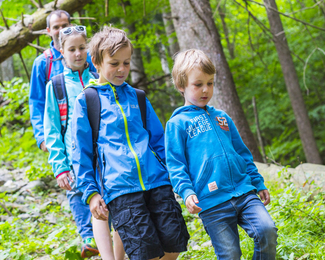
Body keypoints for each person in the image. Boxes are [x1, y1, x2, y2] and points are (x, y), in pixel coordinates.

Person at [71, 26, 189, 260]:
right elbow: (81, 154)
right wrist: (92, 193)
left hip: (158, 183)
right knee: (145, 253)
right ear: (96, 62)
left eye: (126, 63)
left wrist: (175, 175)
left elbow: (158, 141)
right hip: (121, 190)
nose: (122, 69)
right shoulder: (87, 100)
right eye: (114, 63)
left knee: (174, 246)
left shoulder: (139, 97)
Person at [165, 49, 278, 260]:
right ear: (181, 86)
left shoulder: (222, 118)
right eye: (198, 84)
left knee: (267, 230)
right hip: (211, 202)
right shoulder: (177, 124)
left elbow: (243, 153)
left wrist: (258, 182)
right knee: (230, 255)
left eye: (210, 83)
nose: (206, 89)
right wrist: (187, 191)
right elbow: (175, 165)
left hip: (244, 193)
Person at [29, 11, 98, 258]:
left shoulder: (96, 73)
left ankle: (105, 235)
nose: (77, 53)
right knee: (75, 190)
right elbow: (38, 105)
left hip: (98, 146)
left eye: (64, 25)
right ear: (49, 32)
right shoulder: (44, 66)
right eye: (56, 27)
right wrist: (44, 140)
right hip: (65, 136)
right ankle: (89, 236)